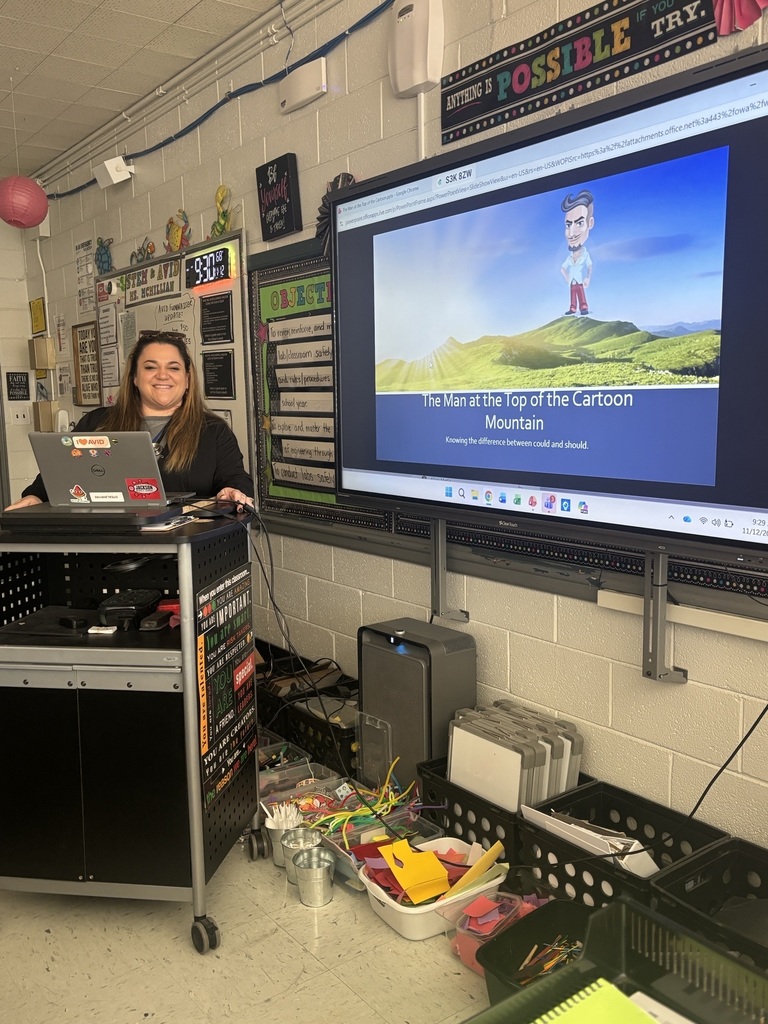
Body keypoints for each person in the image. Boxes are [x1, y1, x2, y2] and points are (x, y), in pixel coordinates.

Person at [5, 330, 254, 511]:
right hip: (105, 555)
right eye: (150, 367)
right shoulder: (97, 423)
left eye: (174, 368)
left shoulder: (213, 431)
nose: (162, 375)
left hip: (188, 555)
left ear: (188, 379)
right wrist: (36, 497)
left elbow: (236, 478)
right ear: (134, 377)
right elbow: (58, 476)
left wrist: (233, 491)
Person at [560, 189, 594, 316]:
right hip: (572, 281)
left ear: (590, 223)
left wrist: (588, 278)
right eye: (568, 225)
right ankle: (573, 308)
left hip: (579, 281)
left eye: (579, 223)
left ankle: (583, 307)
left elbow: (589, 265)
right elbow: (562, 268)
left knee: (581, 293)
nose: (572, 233)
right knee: (572, 294)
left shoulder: (585, 254)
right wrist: (567, 277)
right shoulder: (569, 258)